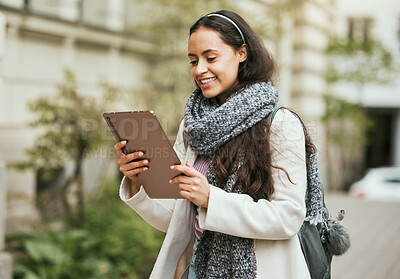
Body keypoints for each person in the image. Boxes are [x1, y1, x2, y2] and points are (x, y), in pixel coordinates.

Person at [114, 10, 323, 279]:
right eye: (193, 61)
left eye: (210, 58)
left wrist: (211, 199)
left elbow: (288, 217)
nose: (200, 70)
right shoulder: (193, 124)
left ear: (242, 53)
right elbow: (177, 219)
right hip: (194, 268)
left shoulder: (280, 123)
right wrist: (137, 180)